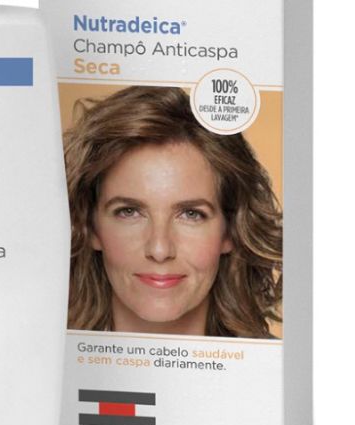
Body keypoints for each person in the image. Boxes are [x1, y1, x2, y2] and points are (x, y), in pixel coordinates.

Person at [63, 86, 282, 338]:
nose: (159, 250)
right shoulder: (37, 356)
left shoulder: (278, 363)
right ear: (90, 226)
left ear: (230, 229)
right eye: (129, 212)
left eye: (191, 214)